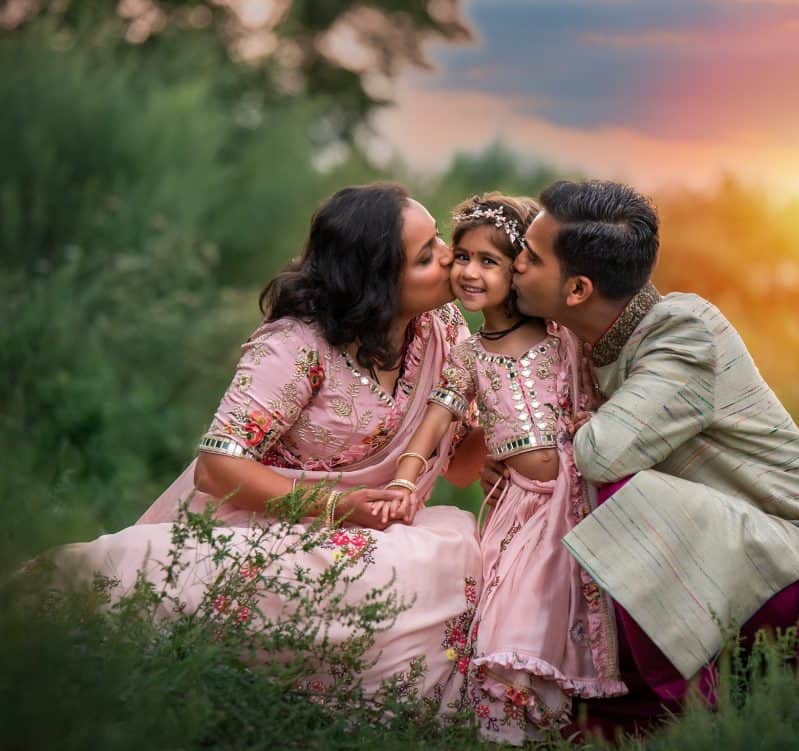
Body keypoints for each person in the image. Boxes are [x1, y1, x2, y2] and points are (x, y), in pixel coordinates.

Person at [49, 183, 484, 703]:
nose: (448, 257)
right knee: (95, 609)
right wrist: (339, 507)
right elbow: (217, 468)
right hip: (260, 527)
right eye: (425, 256)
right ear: (377, 283)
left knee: (452, 557)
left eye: (438, 238)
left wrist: (519, 400)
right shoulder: (297, 345)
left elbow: (457, 467)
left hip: (368, 536)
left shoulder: (444, 330)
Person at [508, 179, 799, 736]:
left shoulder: (684, 332)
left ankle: (693, 705)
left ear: (578, 288)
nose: (514, 262)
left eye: (530, 257)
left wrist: (564, 438)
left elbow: (602, 455)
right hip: (722, 555)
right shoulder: (575, 338)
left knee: (614, 490)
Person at [386, 194, 625, 744]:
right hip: (519, 509)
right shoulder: (469, 354)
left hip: (574, 497)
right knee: (511, 622)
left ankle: (565, 728)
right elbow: (436, 418)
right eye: (462, 257)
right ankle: (507, 730)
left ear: (517, 267)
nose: (469, 271)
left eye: (488, 261)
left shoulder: (560, 336)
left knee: (572, 625)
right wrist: (404, 476)